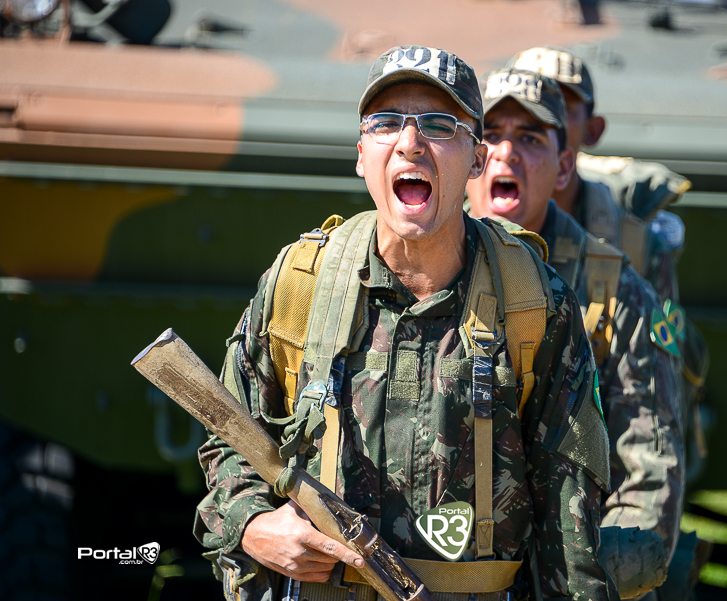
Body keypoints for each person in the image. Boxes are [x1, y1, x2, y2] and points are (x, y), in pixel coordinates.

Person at [194, 45, 617, 601]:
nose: (410, 142)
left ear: (476, 160)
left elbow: (570, 531)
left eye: (440, 125)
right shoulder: (301, 282)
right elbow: (228, 438)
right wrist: (251, 522)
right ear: (361, 154)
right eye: (386, 123)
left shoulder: (534, 302)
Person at [466, 68, 684, 600]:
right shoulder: (421, 268)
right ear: (469, 156)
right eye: (491, 135)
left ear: (564, 166)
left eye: (530, 138)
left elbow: (649, 483)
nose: (506, 153)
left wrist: (574, 581)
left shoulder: (617, 295)